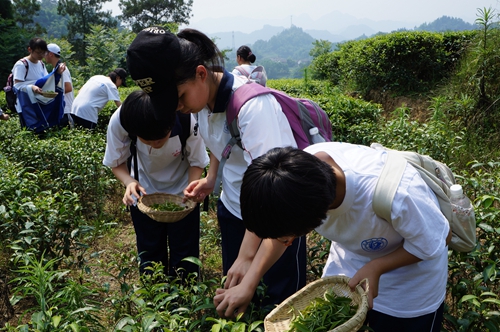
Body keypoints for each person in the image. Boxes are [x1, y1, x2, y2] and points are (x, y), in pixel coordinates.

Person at [126, 27, 306, 315]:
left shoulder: (254, 109)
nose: (179, 108)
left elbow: (280, 198)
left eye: (180, 97)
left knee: (277, 307)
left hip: (273, 226)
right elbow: (221, 140)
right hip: (236, 212)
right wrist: (212, 178)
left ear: (201, 73)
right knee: (238, 301)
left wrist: (249, 256)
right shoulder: (199, 103)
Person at [238, 143, 452, 332]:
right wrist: (248, 282)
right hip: (349, 276)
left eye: (289, 238)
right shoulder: (295, 181)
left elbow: (439, 238)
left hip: (408, 293)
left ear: (318, 213)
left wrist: (377, 267)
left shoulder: (396, 194)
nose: (289, 243)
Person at [103, 89, 209, 277]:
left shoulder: (187, 117)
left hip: (182, 196)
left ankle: (184, 295)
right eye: (146, 141)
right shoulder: (122, 119)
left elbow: (196, 161)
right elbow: (116, 161)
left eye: (161, 139)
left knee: (185, 253)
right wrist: (128, 182)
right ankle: (155, 296)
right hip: (144, 194)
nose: (155, 145)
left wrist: (192, 188)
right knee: (149, 251)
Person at [12, 37, 66, 128]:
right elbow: (17, 86)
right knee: (30, 132)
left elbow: (47, 81)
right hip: (26, 106)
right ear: (30, 49)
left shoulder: (41, 64)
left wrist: (57, 73)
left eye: (43, 52)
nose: (41, 55)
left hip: (39, 104)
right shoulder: (21, 64)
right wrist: (32, 87)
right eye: (38, 52)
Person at [45, 43, 74, 127]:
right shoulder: (56, 69)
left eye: (45, 53)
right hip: (61, 109)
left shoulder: (62, 68)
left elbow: (68, 87)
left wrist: (52, 92)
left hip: (66, 110)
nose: (44, 56)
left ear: (50, 54)